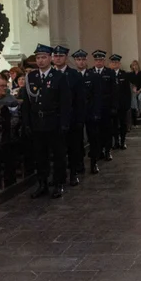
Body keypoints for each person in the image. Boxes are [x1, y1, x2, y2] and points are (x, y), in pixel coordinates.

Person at [21, 44, 71, 199]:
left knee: (58, 155)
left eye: (43, 57)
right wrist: (27, 123)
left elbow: (65, 102)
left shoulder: (59, 77)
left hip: (54, 121)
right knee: (40, 156)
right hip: (37, 122)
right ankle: (42, 183)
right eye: (38, 58)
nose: (41, 61)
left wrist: (64, 123)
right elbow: (27, 104)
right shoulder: (31, 77)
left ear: (50, 58)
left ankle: (58, 183)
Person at [53, 45, 86, 185]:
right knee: (57, 151)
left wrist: (80, 119)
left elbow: (80, 99)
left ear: (66, 58)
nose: (58, 58)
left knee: (73, 148)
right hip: (55, 119)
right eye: (55, 56)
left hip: (72, 118)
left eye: (60, 56)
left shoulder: (74, 75)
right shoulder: (50, 74)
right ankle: (58, 177)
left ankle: (73, 173)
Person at [88, 50, 115, 167]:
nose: (98, 62)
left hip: (106, 105)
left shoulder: (109, 72)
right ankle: (98, 151)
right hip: (94, 107)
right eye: (96, 60)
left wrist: (114, 106)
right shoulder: (89, 73)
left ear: (104, 61)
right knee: (95, 131)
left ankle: (107, 150)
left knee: (107, 129)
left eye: (101, 60)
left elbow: (114, 91)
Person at [109, 54, 131, 150]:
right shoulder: (108, 74)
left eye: (116, 62)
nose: (114, 64)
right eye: (113, 62)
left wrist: (128, 104)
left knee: (123, 124)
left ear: (119, 63)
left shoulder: (124, 75)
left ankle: (123, 141)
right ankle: (116, 142)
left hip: (122, 104)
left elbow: (127, 91)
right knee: (113, 124)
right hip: (112, 105)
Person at [128, 60, 141, 124]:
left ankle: (140, 109)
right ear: (132, 67)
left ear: (138, 65)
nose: (135, 66)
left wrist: (139, 91)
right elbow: (130, 84)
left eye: (136, 64)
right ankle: (137, 110)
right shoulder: (131, 74)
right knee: (133, 96)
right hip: (134, 91)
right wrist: (134, 89)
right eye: (133, 65)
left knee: (140, 97)